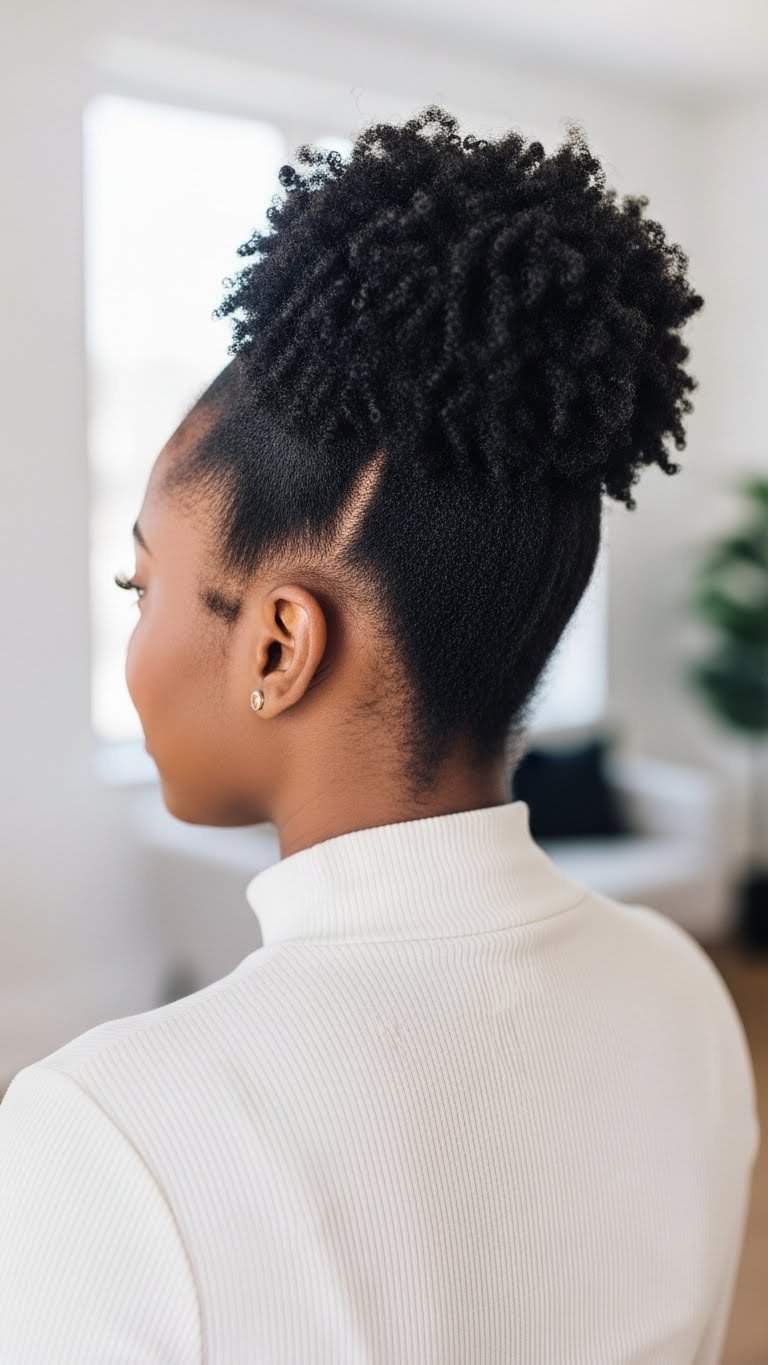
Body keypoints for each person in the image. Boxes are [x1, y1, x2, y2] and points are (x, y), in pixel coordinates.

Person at [0, 104, 759, 1363]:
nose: (133, 637)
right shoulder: (687, 1000)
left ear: (279, 646)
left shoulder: (108, 1135)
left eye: (143, 588)